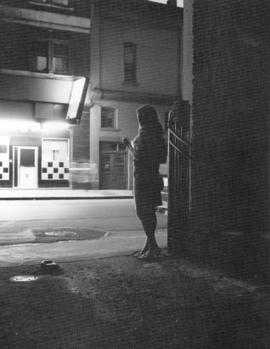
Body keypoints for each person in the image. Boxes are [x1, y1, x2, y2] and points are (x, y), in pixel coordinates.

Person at [123, 105, 167, 259]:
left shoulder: (144, 136)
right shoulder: (157, 135)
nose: (138, 121)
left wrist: (129, 146)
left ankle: (153, 246)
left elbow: (139, 157)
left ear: (143, 119)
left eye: (139, 118)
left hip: (142, 178)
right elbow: (162, 158)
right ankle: (149, 245)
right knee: (149, 211)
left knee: (142, 211)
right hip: (153, 176)